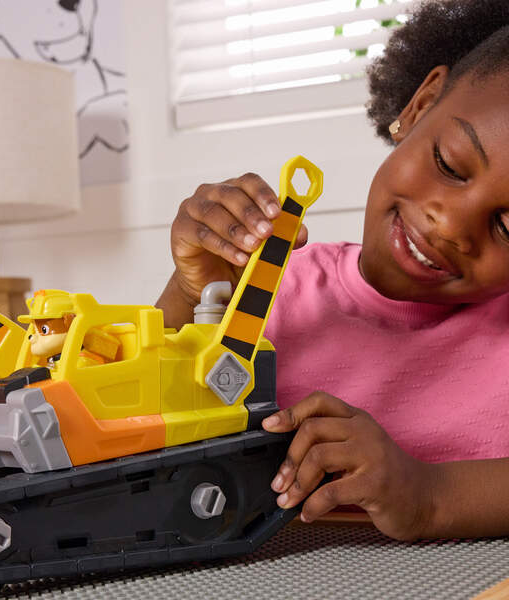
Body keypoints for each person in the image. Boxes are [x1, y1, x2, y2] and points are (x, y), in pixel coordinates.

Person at [156, 0, 509, 542]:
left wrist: (428, 496)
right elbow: (135, 434)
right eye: (449, 165)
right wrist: (191, 295)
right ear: (420, 105)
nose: (451, 224)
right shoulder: (266, 293)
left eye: (507, 226)